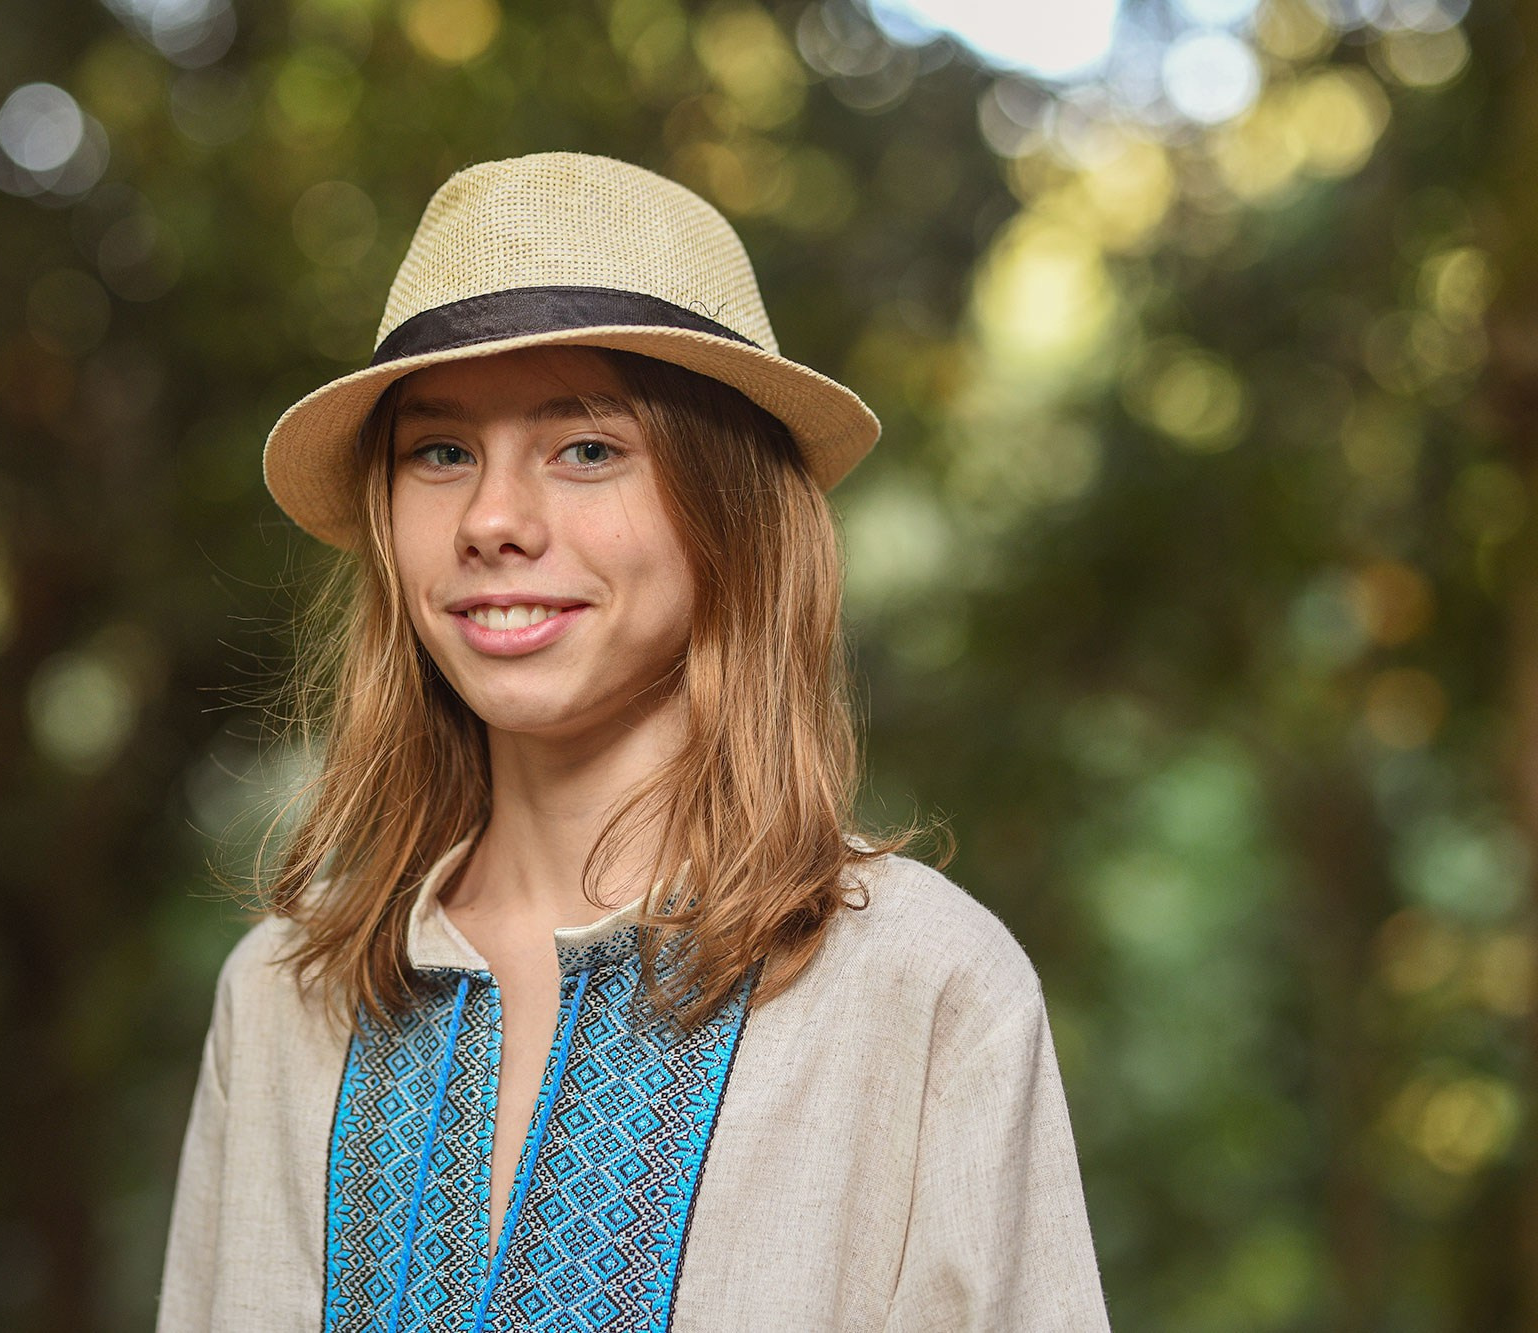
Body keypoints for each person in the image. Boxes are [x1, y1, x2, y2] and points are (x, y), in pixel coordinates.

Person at [156, 151, 1109, 1331]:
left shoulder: (926, 992)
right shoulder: (281, 997)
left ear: (731, 513)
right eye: (439, 452)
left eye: (587, 448)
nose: (493, 520)